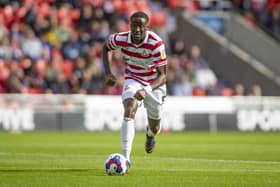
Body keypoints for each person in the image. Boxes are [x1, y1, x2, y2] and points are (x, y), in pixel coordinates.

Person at [102, 11, 168, 168]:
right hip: (133, 78)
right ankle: (125, 160)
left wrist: (146, 89)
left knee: (155, 127)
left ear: (147, 27)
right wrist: (108, 73)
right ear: (130, 26)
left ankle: (150, 134)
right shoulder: (121, 38)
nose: (137, 30)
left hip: (154, 83)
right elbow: (106, 48)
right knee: (129, 108)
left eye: (141, 27)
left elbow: (163, 76)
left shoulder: (156, 43)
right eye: (134, 26)